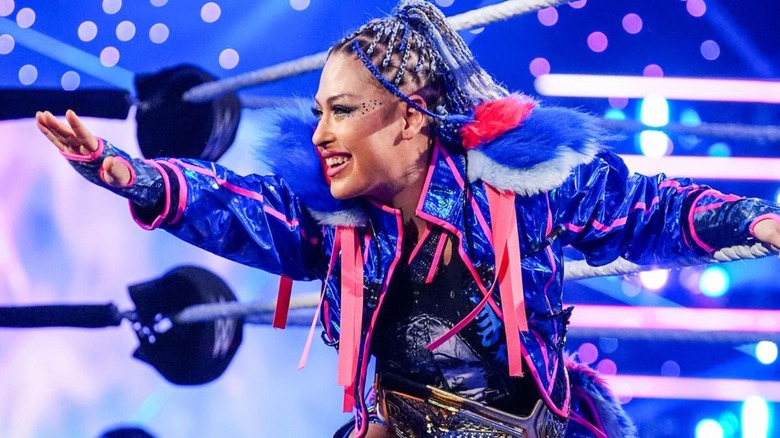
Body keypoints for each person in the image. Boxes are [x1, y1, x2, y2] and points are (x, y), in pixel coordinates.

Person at [35, 1, 780, 437]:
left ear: (413, 121)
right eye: (321, 111)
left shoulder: (523, 188)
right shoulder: (334, 219)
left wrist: (759, 220)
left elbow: (652, 207)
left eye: (345, 111)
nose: (320, 132)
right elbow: (233, 205)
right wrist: (123, 171)